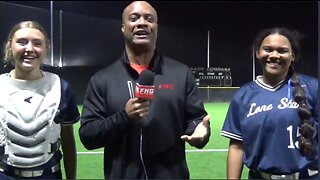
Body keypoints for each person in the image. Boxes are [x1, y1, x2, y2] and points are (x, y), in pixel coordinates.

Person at [79, 1, 211, 179]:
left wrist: (200, 131)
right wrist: (124, 117)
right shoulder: (102, 80)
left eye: (149, 19)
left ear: (156, 27)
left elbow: (196, 119)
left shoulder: (181, 73)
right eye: (134, 18)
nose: (142, 22)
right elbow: (88, 136)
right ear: (123, 28)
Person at [221, 27, 318, 179]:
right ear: (257, 53)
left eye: (282, 51)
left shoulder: (313, 88)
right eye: (268, 49)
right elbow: (237, 146)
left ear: (292, 56)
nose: (274, 55)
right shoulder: (243, 95)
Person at [0, 21, 79, 179]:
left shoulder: (60, 87)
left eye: (37, 43)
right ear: (10, 46)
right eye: (22, 42)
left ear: (46, 48)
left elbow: (68, 141)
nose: (29, 49)